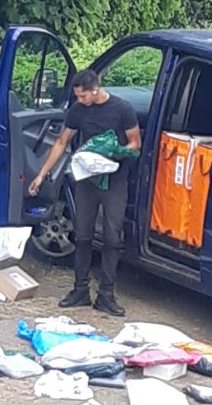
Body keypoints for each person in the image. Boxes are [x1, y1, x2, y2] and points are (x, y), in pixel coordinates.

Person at [28, 69, 141, 316]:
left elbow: (135, 143)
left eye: (83, 96)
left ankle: (106, 295)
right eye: (77, 97)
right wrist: (41, 174)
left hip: (114, 180)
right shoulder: (78, 111)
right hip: (87, 179)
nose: (80, 101)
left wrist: (115, 152)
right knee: (82, 234)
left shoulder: (122, 109)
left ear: (95, 89)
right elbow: (61, 142)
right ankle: (80, 290)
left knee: (113, 236)